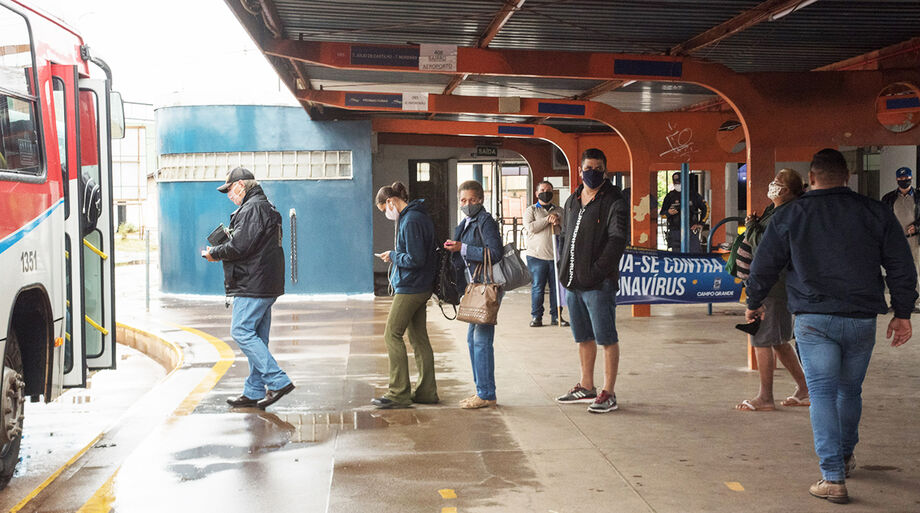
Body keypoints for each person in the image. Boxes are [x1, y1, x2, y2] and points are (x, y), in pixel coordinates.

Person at [745, 149, 916, 504]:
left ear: (812, 178)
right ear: (848, 176)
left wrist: (754, 302)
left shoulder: (790, 214)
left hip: (813, 320)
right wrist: (902, 312)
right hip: (860, 319)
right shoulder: (875, 212)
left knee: (822, 394)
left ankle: (832, 475)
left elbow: (763, 265)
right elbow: (901, 264)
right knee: (849, 392)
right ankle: (847, 455)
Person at [204, 167, 295, 409]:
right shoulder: (266, 207)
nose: (229, 196)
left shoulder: (253, 208)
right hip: (266, 282)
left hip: (252, 283)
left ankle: (277, 381)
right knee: (258, 339)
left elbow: (240, 246)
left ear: (240, 186)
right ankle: (254, 391)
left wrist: (214, 252)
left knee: (241, 331)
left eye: (230, 191)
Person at [554, 148, 628, 413]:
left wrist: (597, 271)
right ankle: (587, 386)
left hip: (599, 284)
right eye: (588, 168)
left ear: (605, 171)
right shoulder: (573, 200)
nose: (592, 173)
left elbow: (617, 241)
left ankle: (608, 392)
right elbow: (565, 237)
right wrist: (565, 271)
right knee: (582, 336)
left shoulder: (614, 200)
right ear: (579, 170)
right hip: (573, 284)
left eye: (597, 168)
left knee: (606, 338)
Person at [734, 169, 810, 412]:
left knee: (761, 339)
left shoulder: (784, 213)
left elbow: (764, 248)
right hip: (776, 285)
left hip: (771, 286)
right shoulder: (777, 211)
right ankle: (804, 388)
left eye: (777, 182)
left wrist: (751, 228)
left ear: (786, 190)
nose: (772, 185)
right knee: (779, 341)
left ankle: (765, 397)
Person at [371, 182, 439, 409]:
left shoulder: (410, 220)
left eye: (384, 210)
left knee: (392, 334)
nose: (386, 214)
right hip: (421, 284)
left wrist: (393, 256)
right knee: (419, 338)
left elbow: (415, 259)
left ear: (390, 201)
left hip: (412, 286)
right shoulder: (416, 216)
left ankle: (398, 392)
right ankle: (426, 392)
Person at [444, 180, 503, 409]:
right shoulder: (466, 222)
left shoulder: (486, 221)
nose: (467, 204)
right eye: (463, 200)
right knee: (472, 340)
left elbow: (495, 252)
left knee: (481, 341)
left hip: (487, 287)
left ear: (481, 200)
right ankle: (482, 390)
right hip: (474, 287)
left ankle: (487, 394)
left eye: (471, 200)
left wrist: (463, 248)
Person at [523, 180, 568, 327]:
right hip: (536, 257)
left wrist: (558, 222)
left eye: (548, 190)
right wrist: (547, 219)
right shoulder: (531, 210)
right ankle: (537, 317)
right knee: (538, 287)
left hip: (555, 256)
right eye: (542, 190)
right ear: (537, 193)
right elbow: (531, 227)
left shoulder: (559, 210)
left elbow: (566, 229)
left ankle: (557, 317)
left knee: (557, 288)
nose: (545, 192)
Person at [881, 166, 920, 298]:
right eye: (901, 178)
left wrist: (917, 226)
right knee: (896, 270)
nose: (904, 180)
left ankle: (915, 299)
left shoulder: (918, 197)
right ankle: (897, 299)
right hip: (895, 240)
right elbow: (883, 218)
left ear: (911, 178)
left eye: (907, 177)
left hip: (914, 239)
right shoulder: (889, 198)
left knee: (915, 269)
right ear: (897, 179)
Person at [659, 172, 707, 253]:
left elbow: (706, 208)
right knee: (677, 258)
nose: (677, 184)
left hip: (691, 230)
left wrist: (701, 223)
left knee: (694, 256)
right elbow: (662, 215)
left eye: (679, 182)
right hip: (675, 232)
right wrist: (668, 213)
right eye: (675, 182)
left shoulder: (693, 195)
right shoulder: (670, 196)